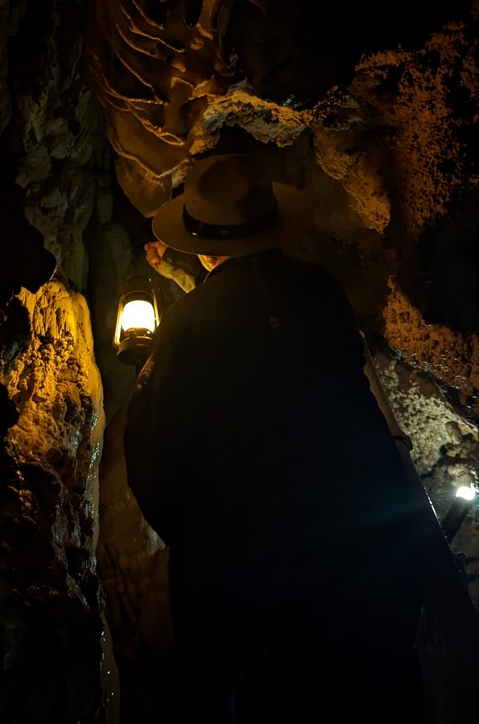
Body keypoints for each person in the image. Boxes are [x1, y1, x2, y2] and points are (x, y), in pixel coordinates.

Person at [122, 153, 430, 723]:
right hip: (365, 536)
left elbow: (153, 455)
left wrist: (197, 541)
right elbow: (269, 326)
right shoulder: (319, 289)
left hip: (250, 562)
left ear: (201, 243)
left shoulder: (189, 324)